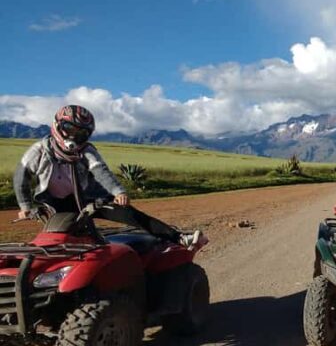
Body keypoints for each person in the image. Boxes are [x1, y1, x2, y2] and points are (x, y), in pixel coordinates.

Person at [13, 105, 202, 249]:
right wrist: (25, 206)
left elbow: (101, 172)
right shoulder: (38, 151)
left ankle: (178, 237)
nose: (74, 137)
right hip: (57, 203)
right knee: (63, 236)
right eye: (69, 129)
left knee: (132, 215)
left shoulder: (86, 151)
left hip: (91, 199)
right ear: (57, 125)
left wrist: (117, 191)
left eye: (81, 134)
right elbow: (21, 178)